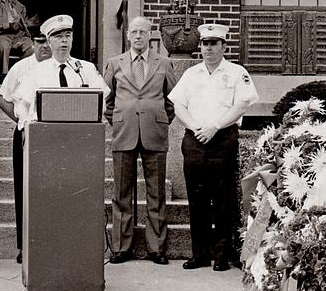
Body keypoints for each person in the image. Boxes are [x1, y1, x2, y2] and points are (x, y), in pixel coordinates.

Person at [168, 23, 259, 272]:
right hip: (194, 140)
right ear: (200, 46)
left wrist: (214, 127)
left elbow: (241, 106)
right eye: (205, 43)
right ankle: (200, 254)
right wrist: (197, 127)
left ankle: (221, 255)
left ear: (223, 46)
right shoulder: (191, 74)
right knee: (196, 199)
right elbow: (179, 106)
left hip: (222, 141)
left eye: (214, 43)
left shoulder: (236, 72)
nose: (208, 48)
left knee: (222, 199)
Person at [103, 16, 177, 266]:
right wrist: (121, 121)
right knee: (121, 192)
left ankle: (156, 248)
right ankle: (121, 247)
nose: (137, 37)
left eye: (142, 32)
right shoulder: (115, 63)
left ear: (150, 36)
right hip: (124, 133)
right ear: (127, 36)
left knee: (156, 192)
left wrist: (158, 120)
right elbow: (108, 101)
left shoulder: (164, 64)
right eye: (134, 32)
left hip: (154, 133)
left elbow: (172, 100)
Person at [0, 33, 53, 264]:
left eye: (48, 41)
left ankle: (51, 244)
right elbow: (3, 99)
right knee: (24, 190)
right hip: (26, 134)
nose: (44, 47)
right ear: (33, 43)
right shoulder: (20, 68)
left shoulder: (66, 68)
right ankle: (24, 246)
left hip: (55, 138)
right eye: (39, 42)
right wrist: (22, 122)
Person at [13, 14, 110, 129]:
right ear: (49, 42)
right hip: (46, 132)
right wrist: (27, 125)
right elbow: (22, 105)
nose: (64, 40)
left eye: (68, 36)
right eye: (59, 36)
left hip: (80, 131)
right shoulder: (36, 72)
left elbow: (102, 101)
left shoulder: (86, 69)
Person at [0, 0, 33, 81]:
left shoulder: (12, 1)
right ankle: (4, 76)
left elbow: (23, 15)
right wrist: (8, 25)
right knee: (3, 47)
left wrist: (25, 23)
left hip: (18, 35)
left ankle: (18, 71)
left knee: (32, 47)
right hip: (3, 34)